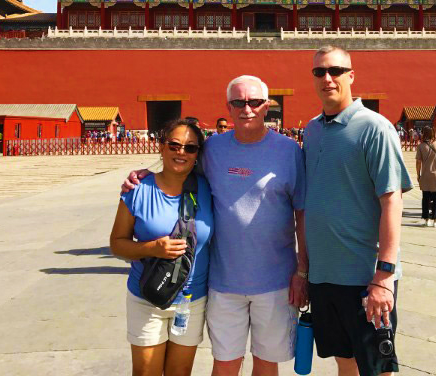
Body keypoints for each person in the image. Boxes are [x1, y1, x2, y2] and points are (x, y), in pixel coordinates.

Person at [123, 75, 308, 376]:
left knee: (266, 363)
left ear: (267, 106)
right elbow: (179, 167)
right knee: (224, 364)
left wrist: (302, 271)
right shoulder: (213, 150)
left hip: (276, 281)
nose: (246, 109)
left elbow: (302, 214)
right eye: (238, 102)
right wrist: (145, 175)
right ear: (228, 107)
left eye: (254, 102)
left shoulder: (290, 152)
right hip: (224, 283)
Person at [303, 46, 412, 376]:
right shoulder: (311, 129)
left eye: (335, 70)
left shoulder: (375, 128)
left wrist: (385, 274)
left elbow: (392, 201)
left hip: (365, 277)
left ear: (351, 76)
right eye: (319, 72)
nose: (327, 78)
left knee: (378, 367)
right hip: (324, 276)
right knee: (344, 360)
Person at [110, 118, 213, 376]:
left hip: (191, 300)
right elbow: (117, 244)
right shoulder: (138, 190)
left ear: (198, 154)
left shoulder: (209, 188)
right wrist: (151, 248)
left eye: (190, 148)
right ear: (161, 147)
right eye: (174, 145)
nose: (181, 152)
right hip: (147, 297)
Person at [415, 126, 436, 227]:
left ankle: (426, 219)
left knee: (425, 197)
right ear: (433, 134)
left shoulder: (420, 146)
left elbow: (418, 162)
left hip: (425, 175)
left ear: (424, 134)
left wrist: (418, 174)